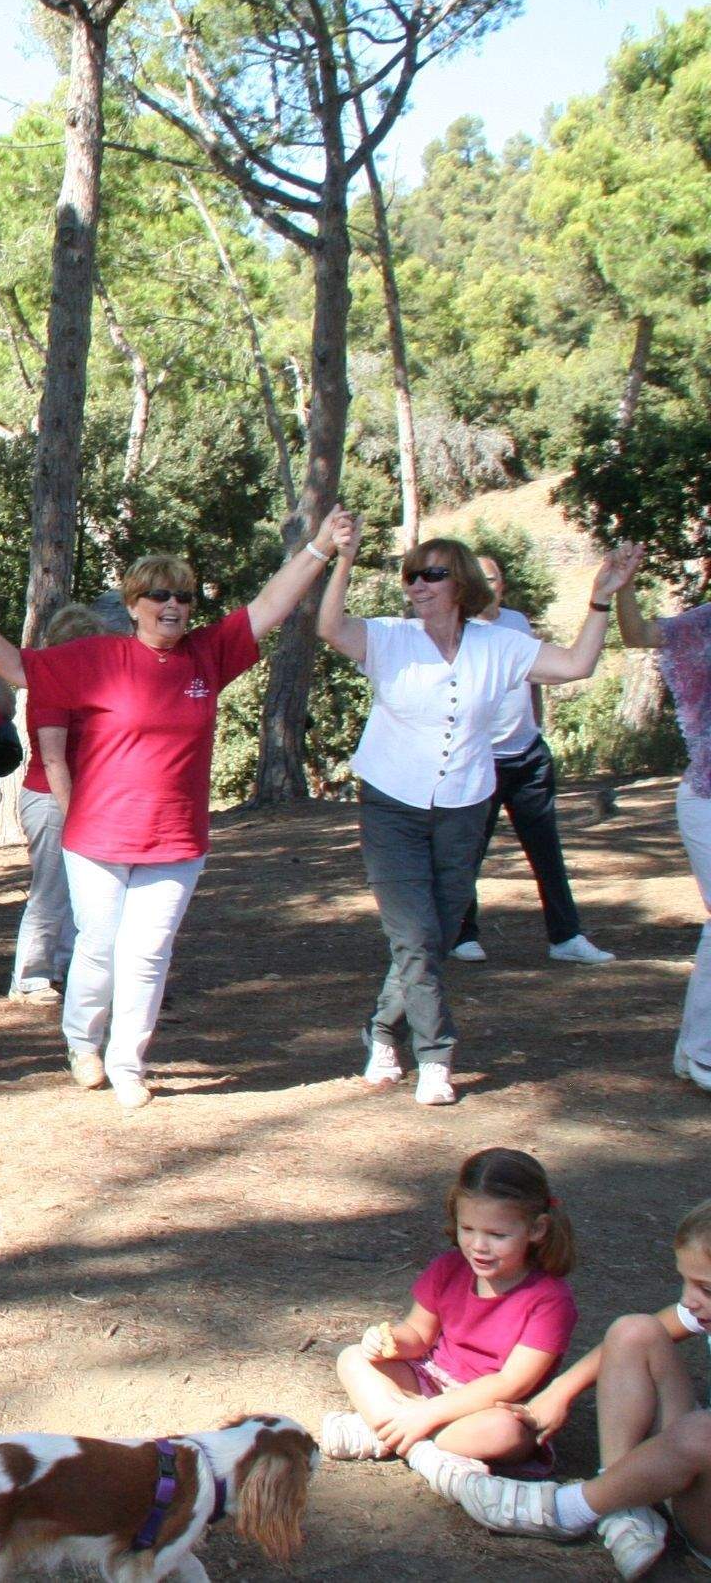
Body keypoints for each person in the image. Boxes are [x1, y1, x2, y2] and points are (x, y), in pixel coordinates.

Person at [0, 527, 341, 1109]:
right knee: (99, 944)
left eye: (183, 597)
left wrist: (318, 548)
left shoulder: (206, 655)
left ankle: (128, 1063)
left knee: (148, 952)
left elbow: (269, 605)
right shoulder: (97, 657)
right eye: (159, 595)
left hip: (176, 838)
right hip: (97, 835)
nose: (172, 606)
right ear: (134, 604)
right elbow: (16, 666)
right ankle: (82, 1042)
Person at [319, 514, 640, 1105]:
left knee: (434, 936)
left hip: (465, 803)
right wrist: (342, 558)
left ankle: (383, 1032)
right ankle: (436, 1055)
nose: (417, 586)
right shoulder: (390, 636)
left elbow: (576, 665)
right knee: (414, 935)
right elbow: (331, 625)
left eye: (432, 575)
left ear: (461, 583)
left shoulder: (501, 644)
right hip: (391, 804)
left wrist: (599, 601)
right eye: (411, 576)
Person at [433, 1197, 711, 1579]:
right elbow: (642, 1334)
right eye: (686, 1281)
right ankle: (621, 1505)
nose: (688, 1300)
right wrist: (561, 1389)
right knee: (634, 1331)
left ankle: (566, 1509)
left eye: (705, 1289)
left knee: (703, 1433)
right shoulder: (698, 1309)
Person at [319, 1148, 576, 1489]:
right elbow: (418, 1334)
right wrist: (391, 1343)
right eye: (467, 1229)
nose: (478, 1245)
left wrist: (427, 1414)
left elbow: (512, 1384)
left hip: (490, 1407)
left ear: (537, 1229)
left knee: (505, 1434)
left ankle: (387, 1432)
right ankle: (422, 1445)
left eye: (497, 1235)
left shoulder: (550, 1300)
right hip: (432, 1385)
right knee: (353, 1358)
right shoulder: (449, 1268)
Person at [451, 552, 615, 966]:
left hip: (527, 756)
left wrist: (536, 727)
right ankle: (461, 934)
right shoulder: (457, 631)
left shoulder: (516, 622)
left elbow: (535, 676)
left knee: (546, 851)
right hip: (480, 760)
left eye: (494, 578)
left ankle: (567, 936)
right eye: (479, 578)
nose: (487, 586)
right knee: (469, 852)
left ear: (502, 584)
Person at [612, 582, 711, 1094]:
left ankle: (690, 1051)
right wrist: (624, 585)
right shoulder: (703, 625)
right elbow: (635, 634)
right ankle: (701, 1055)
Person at [6, 603, 115, 1003]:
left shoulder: (93, 688)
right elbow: (53, 760)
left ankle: (68, 967)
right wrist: (75, 817)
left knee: (81, 892)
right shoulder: (52, 685)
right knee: (51, 889)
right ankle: (31, 975)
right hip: (52, 799)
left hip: (86, 798)